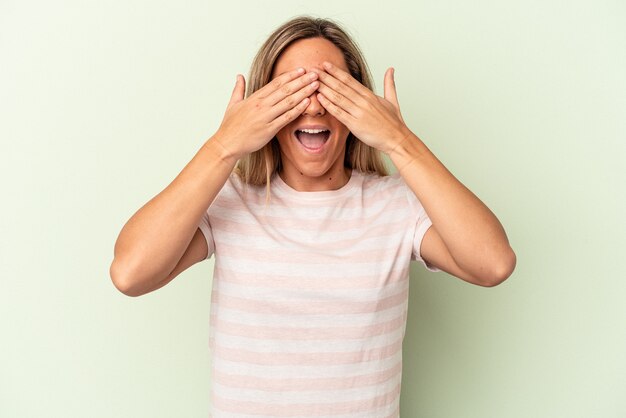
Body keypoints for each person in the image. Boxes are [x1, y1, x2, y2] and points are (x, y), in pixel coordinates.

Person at [110, 16, 516, 417]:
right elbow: (131, 273)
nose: (316, 105)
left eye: (333, 88)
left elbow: (493, 263)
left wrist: (399, 140)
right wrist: (224, 146)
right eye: (294, 88)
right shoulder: (231, 201)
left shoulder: (395, 205)